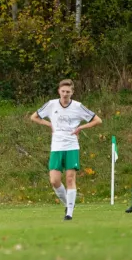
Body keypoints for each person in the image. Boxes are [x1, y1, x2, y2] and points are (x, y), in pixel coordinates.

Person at [30, 79, 102, 220]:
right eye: (63, 91)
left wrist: (80, 127)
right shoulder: (51, 104)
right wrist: (49, 124)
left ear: (72, 93)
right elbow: (34, 117)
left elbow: (97, 120)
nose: (65, 94)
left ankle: (69, 213)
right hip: (56, 146)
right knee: (54, 181)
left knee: (70, 178)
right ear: (59, 91)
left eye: (68, 92)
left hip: (71, 146)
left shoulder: (77, 106)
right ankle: (68, 204)